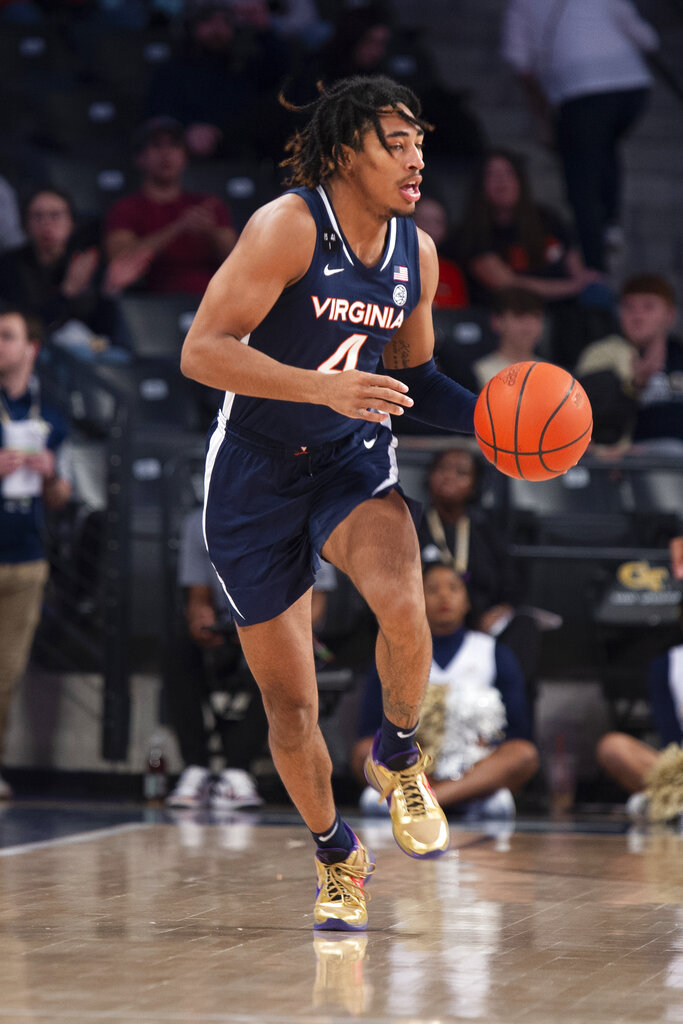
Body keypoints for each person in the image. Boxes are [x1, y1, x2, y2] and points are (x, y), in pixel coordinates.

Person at [180, 75, 480, 931]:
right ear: (347, 149)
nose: (416, 155)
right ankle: (337, 852)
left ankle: (397, 752)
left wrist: (497, 421)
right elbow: (202, 352)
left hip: (349, 460)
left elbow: (416, 381)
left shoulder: (414, 253)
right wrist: (323, 388)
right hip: (253, 473)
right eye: (396, 141)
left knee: (404, 603)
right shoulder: (287, 226)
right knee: (290, 705)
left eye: (420, 140)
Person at [352, 564, 538, 819]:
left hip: (473, 774)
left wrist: (488, 747)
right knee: (363, 751)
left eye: (453, 588)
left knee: (523, 754)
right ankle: (417, 794)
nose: (444, 596)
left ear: (467, 601)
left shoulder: (493, 652)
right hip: (408, 772)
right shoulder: (394, 653)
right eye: (432, 589)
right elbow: (369, 729)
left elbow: (517, 729)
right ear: (416, 599)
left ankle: (431, 801)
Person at [502, 0, 659, 273]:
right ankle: (610, 223)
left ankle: (594, 263)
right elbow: (647, 39)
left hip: (580, 90)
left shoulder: (523, 5)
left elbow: (520, 61)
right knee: (602, 145)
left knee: (581, 179)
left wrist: (541, 113)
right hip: (632, 89)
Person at [0, 304, 71, 799]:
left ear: (31, 348)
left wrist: (49, 472)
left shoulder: (52, 411)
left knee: (7, 673)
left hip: (26, 555)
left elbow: (62, 497)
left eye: (7, 336)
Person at [454, 147, 611, 366]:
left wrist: (583, 282)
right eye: (492, 175)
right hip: (509, 310)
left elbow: (576, 269)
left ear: (521, 180)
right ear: (480, 185)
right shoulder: (474, 233)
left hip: (563, 310)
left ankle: (597, 371)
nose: (502, 181)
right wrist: (572, 287)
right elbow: (507, 284)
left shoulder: (548, 219)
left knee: (599, 294)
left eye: (508, 174)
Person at [164, 506, 267, 811]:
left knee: (289, 658)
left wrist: (260, 627)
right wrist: (200, 616)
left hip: (279, 625)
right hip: (227, 626)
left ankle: (238, 771)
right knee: (178, 643)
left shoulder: (300, 515)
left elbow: (317, 607)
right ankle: (196, 767)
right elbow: (198, 597)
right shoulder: (199, 522)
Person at [417, 446, 540, 694]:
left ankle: (515, 720)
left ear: (475, 485)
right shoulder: (412, 526)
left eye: (461, 473)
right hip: (424, 622)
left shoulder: (486, 530)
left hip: (481, 624)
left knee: (524, 626)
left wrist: (502, 610)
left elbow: (511, 586)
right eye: (441, 469)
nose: (449, 476)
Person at [104, 117, 237, 296]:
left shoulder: (208, 205)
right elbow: (120, 260)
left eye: (175, 145)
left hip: (214, 301)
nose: (166, 154)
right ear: (140, 158)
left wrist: (211, 232)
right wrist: (178, 227)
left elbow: (241, 263)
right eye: (157, 145)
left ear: (185, 157)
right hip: (153, 308)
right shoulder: (126, 207)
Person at [0, 187, 125, 343]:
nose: (46, 223)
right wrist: (66, 294)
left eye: (56, 215)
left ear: (72, 223)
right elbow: (24, 327)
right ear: (25, 225)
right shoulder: (9, 265)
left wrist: (109, 292)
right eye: (37, 216)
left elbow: (104, 331)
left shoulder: (87, 261)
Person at [575, 274, 683, 451]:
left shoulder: (678, 354)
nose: (637, 316)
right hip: (629, 463)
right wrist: (636, 384)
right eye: (629, 307)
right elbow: (588, 418)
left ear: (670, 315)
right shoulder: (601, 354)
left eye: (649, 307)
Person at [469, 287, 545, 391]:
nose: (529, 326)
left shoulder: (552, 372)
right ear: (497, 321)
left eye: (536, 316)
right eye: (519, 315)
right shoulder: (479, 370)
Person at [413, 195, 469, 311]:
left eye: (437, 222)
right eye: (423, 220)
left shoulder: (451, 271)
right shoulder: (391, 264)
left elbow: (457, 313)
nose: (429, 227)